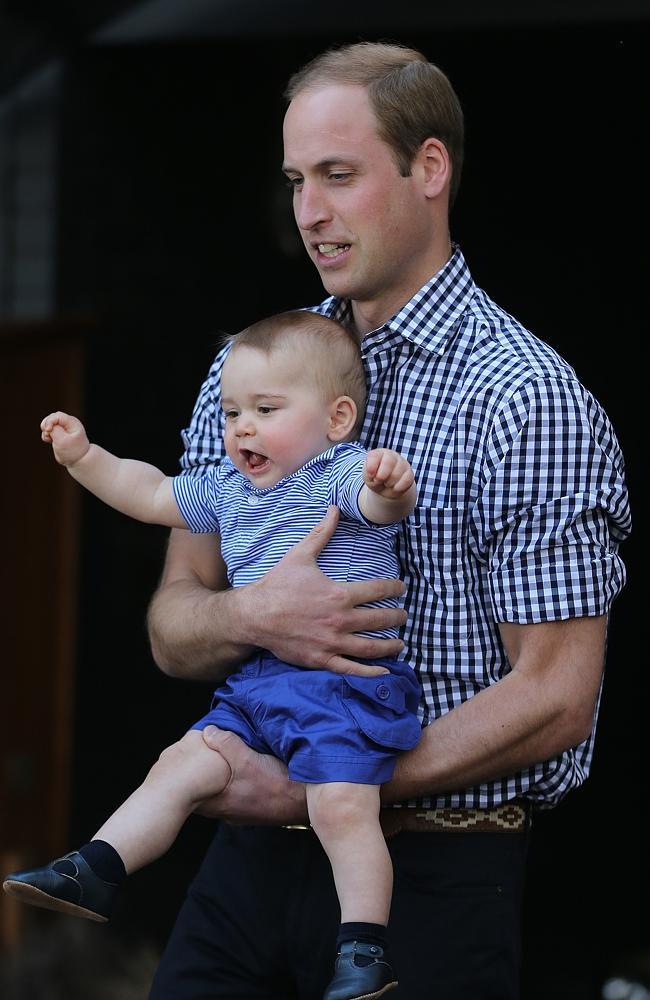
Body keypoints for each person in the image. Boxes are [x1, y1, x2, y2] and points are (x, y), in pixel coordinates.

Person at [99, 41, 633, 999]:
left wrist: (333, 784)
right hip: (249, 862)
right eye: (298, 179)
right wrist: (247, 617)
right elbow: (175, 626)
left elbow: (559, 694)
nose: (309, 211)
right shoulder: (248, 374)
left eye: (338, 175)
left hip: (436, 874)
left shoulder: (525, 397)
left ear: (429, 169)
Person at [3, 311, 420, 1000]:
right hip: (260, 684)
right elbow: (151, 493)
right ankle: (97, 866)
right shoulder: (228, 490)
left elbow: (380, 508)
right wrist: (84, 458)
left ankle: (363, 945)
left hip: (345, 687)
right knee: (180, 763)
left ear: (338, 418)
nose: (241, 427)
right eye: (230, 412)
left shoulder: (337, 473)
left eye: (265, 409)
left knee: (341, 808)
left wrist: (389, 484)